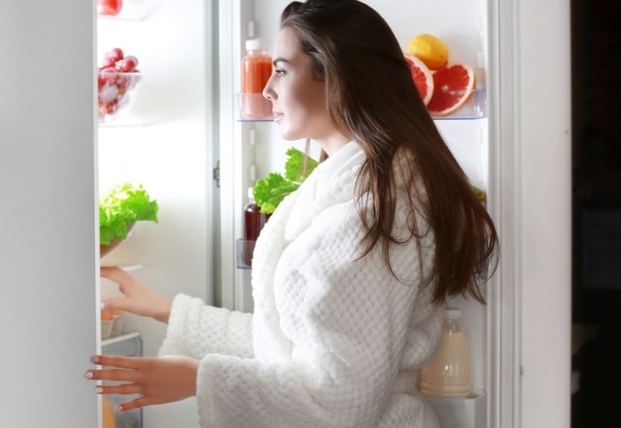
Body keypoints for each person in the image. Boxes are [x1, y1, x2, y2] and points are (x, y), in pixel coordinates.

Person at [85, 0, 499, 426]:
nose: (266, 89)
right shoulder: (353, 189)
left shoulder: (373, 214)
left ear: (338, 77)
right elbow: (290, 346)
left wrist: (199, 378)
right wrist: (168, 310)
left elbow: (342, 405)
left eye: (281, 70)